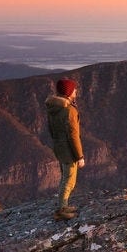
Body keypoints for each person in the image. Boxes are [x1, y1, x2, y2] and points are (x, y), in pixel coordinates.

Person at [45, 78, 85, 220]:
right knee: (69, 180)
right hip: (69, 150)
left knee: (64, 178)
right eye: (74, 89)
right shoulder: (69, 110)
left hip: (59, 146)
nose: (76, 91)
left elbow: (50, 129)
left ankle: (64, 205)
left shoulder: (53, 107)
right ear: (69, 92)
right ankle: (62, 210)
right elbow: (74, 136)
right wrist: (79, 156)